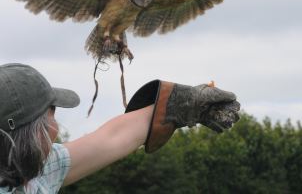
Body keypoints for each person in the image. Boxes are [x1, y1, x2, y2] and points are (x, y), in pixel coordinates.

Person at [0, 63, 240, 193]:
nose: (55, 129)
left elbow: (110, 139)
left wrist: (186, 102)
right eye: (51, 117)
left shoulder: (33, 170)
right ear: (30, 134)